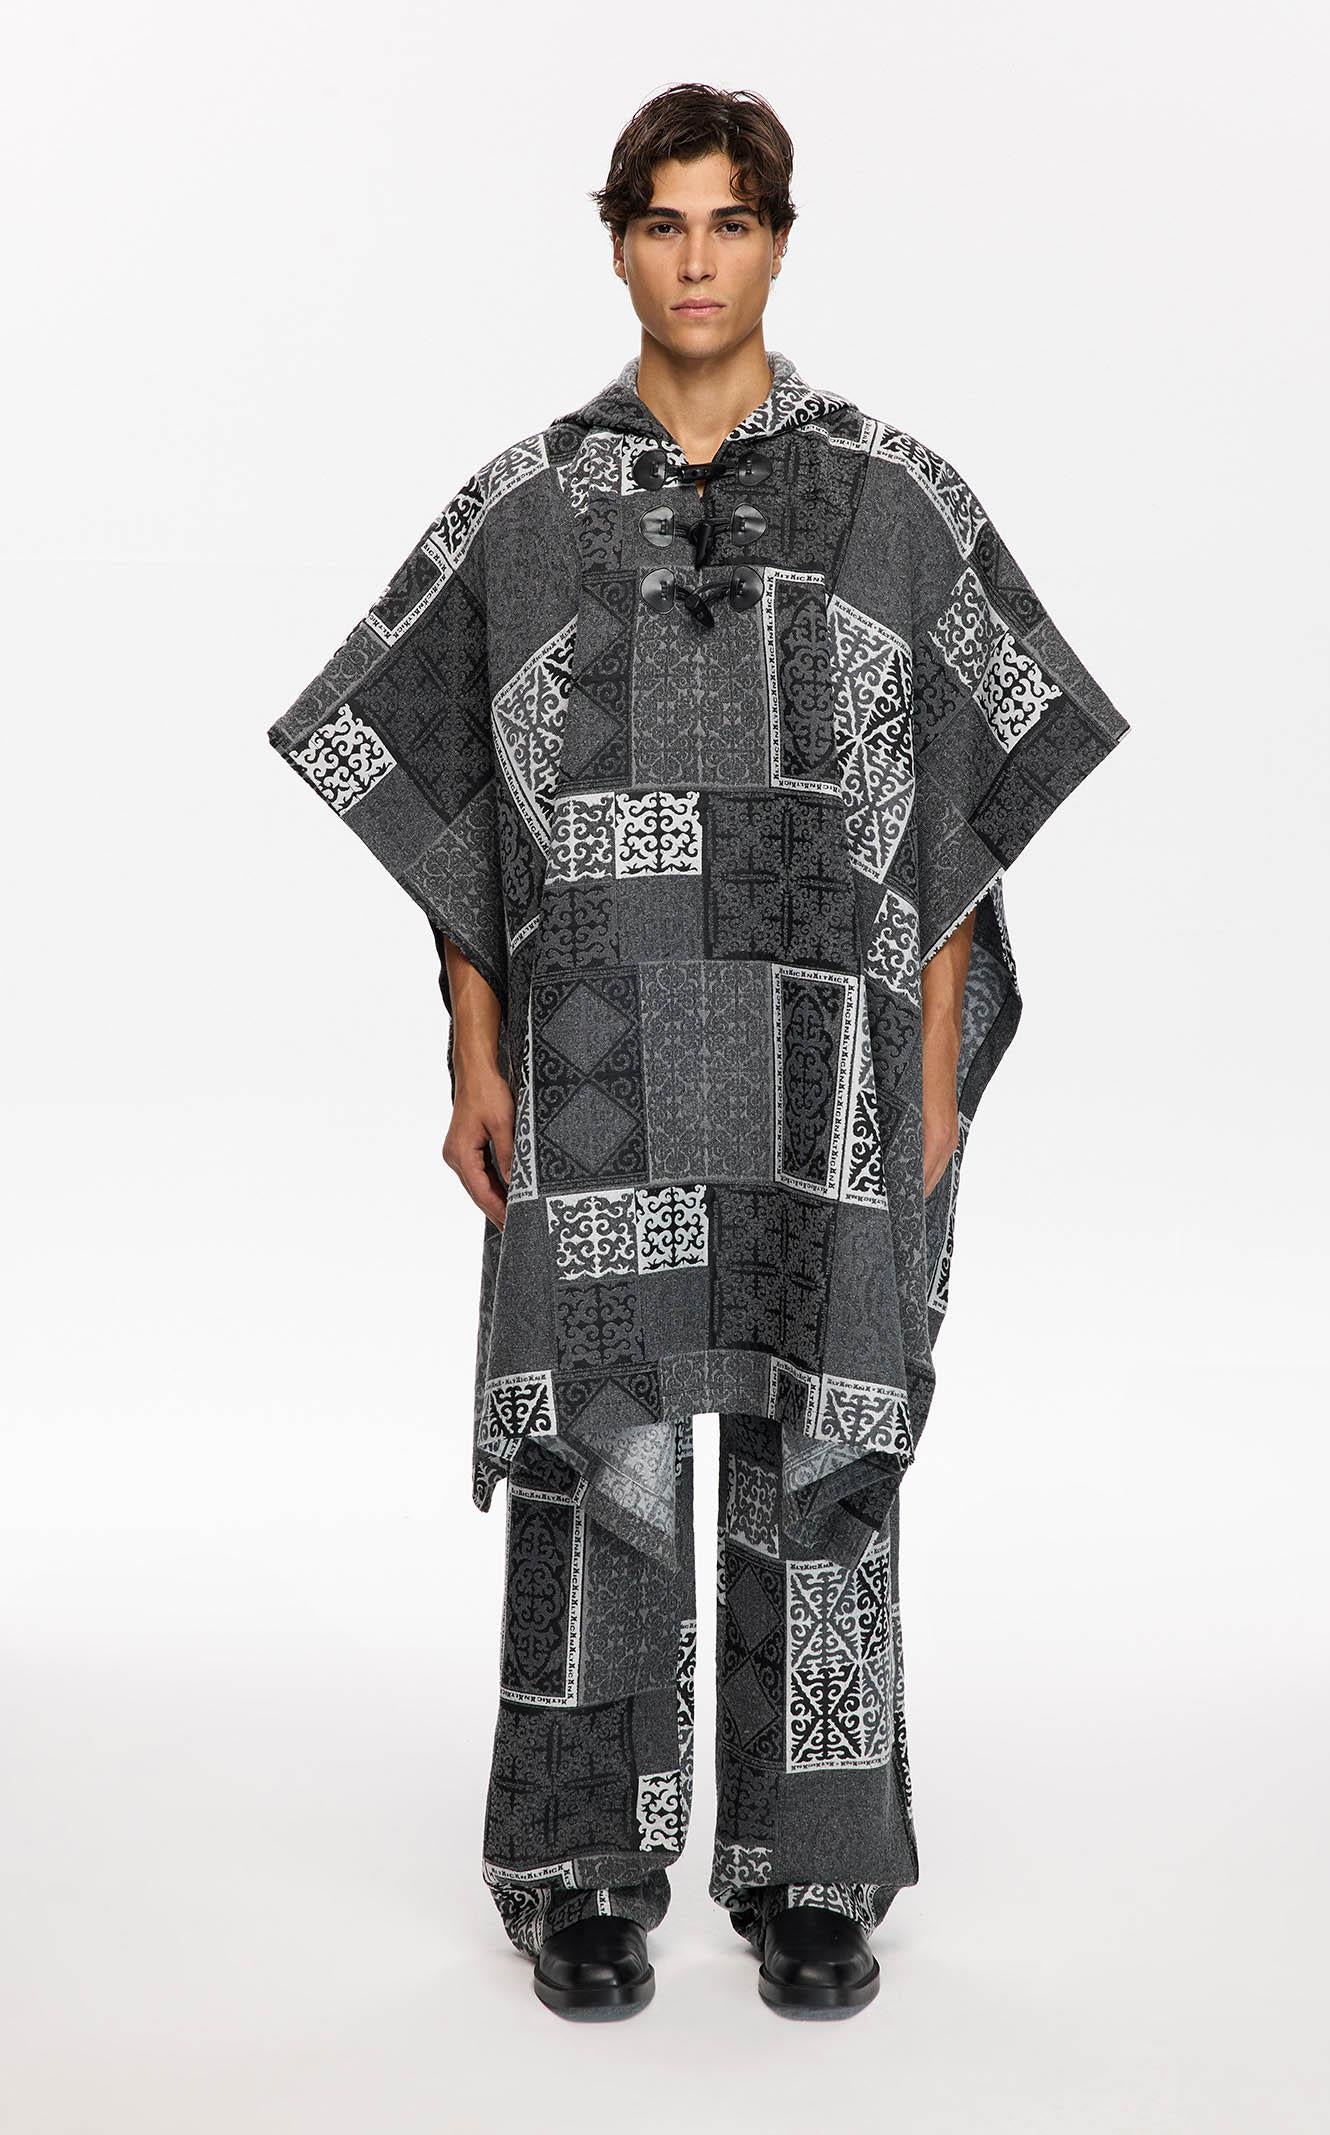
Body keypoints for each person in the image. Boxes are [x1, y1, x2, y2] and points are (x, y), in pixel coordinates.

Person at [266, 82, 1130, 2021]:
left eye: (730, 220)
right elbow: (450, 795)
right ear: (616, 243)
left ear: (780, 240)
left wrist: (929, 1076)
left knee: (828, 1445)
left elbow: (959, 809)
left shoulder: (892, 497)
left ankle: (814, 1870)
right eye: (661, 221)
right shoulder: (529, 503)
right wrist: (473, 1053)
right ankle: (583, 1864)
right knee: (600, 1437)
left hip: (833, 1062)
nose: (695, 258)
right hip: (602, 1065)